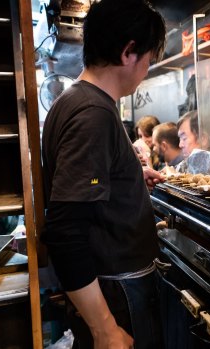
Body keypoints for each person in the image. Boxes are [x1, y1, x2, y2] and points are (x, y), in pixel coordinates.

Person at [40, 1, 166, 349]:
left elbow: (84, 184)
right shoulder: (92, 114)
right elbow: (65, 230)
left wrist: (129, 176)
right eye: (149, 60)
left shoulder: (74, 100)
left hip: (113, 287)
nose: (146, 71)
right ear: (129, 52)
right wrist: (105, 328)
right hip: (117, 292)